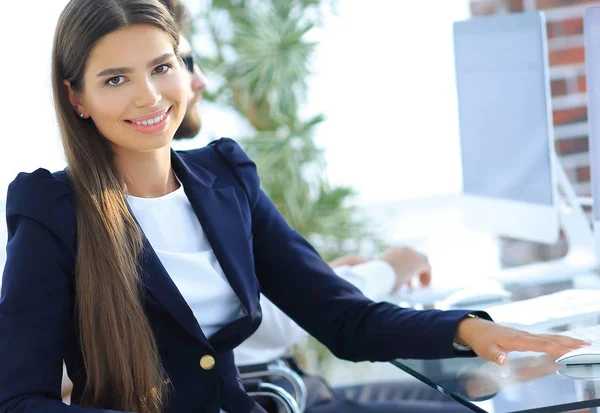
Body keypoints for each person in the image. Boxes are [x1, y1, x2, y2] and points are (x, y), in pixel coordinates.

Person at [0, 1, 588, 413]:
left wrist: (471, 330)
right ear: (76, 97)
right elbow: (20, 399)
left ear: (185, 69)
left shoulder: (224, 177)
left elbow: (343, 320)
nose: (149, 96)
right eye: (115, 79)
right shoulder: (52, 210)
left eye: (161, 67)